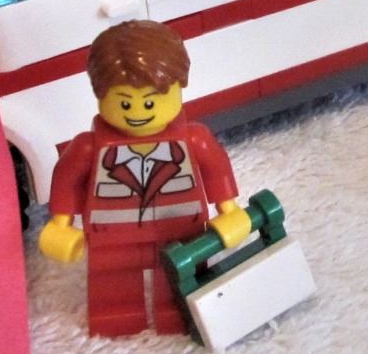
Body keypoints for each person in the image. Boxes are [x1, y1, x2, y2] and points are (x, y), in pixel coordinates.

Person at [38, 20, 252, 336]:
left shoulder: (194, 140)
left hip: (180, 234)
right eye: (125, 102)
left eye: (149, 101)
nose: (138, 112)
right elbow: (67, 179)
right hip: (112, 236)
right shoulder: (89, 148)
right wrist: (60, 224)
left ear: (180, 88)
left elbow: (216, 169)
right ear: (100, 95)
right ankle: (117, 317)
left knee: (179, 282)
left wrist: (230, 211)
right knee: (114, 285)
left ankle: (179, 313)